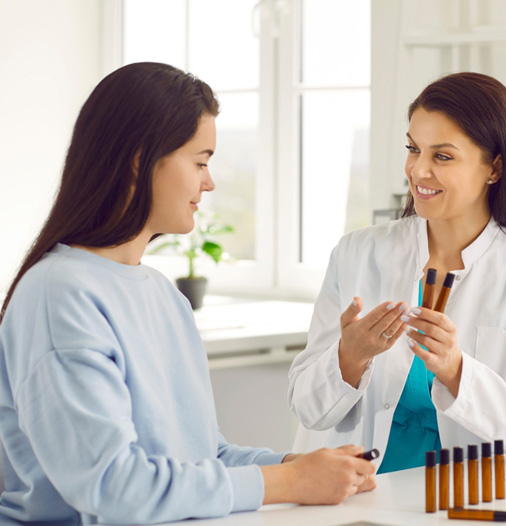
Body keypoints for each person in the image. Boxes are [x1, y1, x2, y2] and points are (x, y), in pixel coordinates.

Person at [0, 62, 375, 525]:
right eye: (200, 161)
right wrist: (290, 484)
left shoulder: (163, 296)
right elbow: (111, 487)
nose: (209, 181)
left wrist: (295, 467)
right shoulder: (57, 295)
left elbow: (203, 457)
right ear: (139, 158)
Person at [288, 72, 506, 473]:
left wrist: (457, 370)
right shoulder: (356, 254)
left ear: (494, 168)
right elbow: (307, 408)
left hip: (465, 503)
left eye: (442, 156)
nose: (418, 170)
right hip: (358, 495)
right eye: (413, 149)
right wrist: (348, 358)